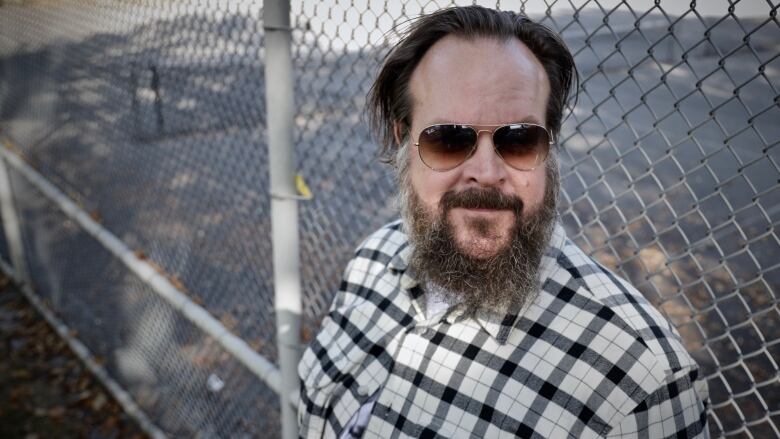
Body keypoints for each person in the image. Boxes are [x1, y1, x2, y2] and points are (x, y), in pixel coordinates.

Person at [298, 6, 709, 438]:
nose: (487, 172)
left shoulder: (638, 385)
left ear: (547, 151)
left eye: (518, 139)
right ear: (404, 140)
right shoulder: (371, 260)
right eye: (448, 139)